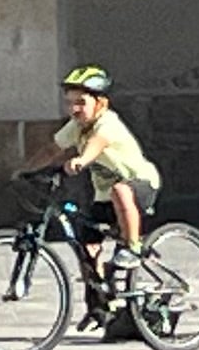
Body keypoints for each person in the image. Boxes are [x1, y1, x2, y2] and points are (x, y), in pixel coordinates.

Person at [32, 65, 159, 268]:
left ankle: (134, 247)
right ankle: (100, 294)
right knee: (88, 248)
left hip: (141, 184)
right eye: (70, 103)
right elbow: (51, 150)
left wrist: (81, 160)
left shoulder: (107, 123)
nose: (74, 109)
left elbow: (97, 144)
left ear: (101, 103)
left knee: (120, 190)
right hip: (105, 198)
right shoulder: (76, 126)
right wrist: (26, 169)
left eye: (81, 103)